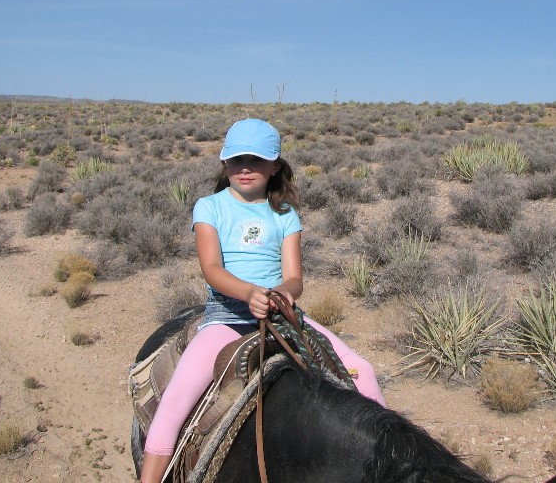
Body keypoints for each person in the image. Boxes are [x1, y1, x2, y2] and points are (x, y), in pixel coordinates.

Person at [139, 118, 387, 483]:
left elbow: (295, 276)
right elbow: (211, 268)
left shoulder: (285, 215)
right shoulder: (210, 207)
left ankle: (387, 464)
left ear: (274, 167)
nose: (245, 168)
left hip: (282, 313)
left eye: (256, 160)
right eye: (237, 159)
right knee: (176, 401)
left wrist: (284, 293)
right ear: (225, 163)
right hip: (227, 317)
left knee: (361, 370)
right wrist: (248, 293)